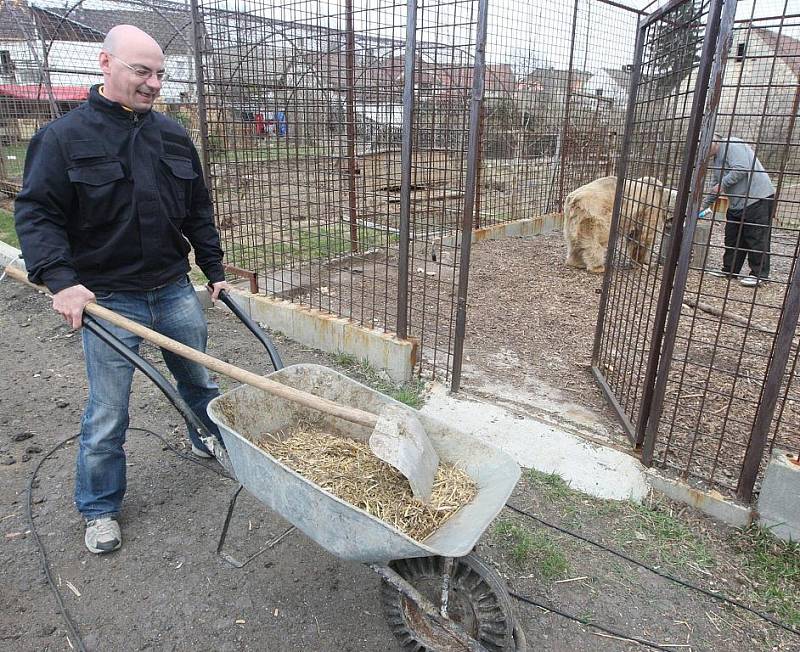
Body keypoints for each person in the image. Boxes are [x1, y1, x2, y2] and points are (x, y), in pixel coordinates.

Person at [14, 25, 230, 554]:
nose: (154, 83)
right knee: (109, 412)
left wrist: (214, 268)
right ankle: (99, 506)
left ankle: (206, 438)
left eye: (160, 73)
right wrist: (61, 282)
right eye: (142, 70)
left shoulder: (173, 135)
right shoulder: (63, 139)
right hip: (110, 299)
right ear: (105, 63)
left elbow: (198, 209)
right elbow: (37, 213)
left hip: (173, 287)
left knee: (199, 382)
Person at [703, 134, 775, 287]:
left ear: (713, 141)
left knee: (756, 237)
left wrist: (722, 184)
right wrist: (701, 207)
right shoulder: (716, 159)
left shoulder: (732, 144)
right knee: (732, 236)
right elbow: (716, 186)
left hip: (757, 197)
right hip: (737, 201)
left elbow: (741, 168)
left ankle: (759, 274)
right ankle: (729, 270)